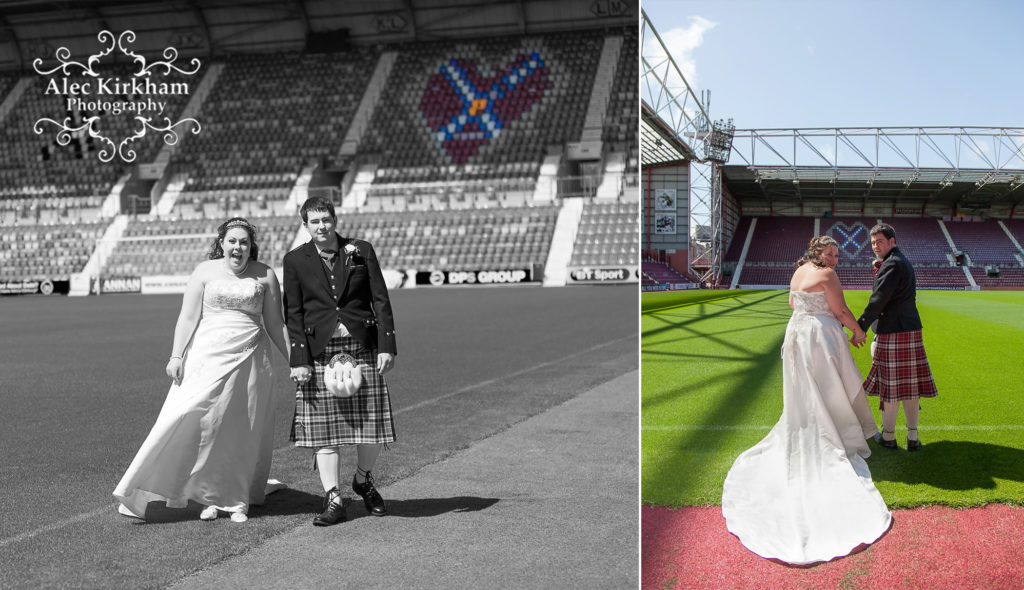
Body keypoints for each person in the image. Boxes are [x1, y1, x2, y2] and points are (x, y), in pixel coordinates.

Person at [722, 236, 891, 565]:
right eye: (831, 253)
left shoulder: (799, 270)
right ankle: (836, 434)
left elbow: (791, 304)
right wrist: (857, 332)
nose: (835, 259)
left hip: (796, 333)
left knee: (804, 392)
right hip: (818, 336)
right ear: (818, 253)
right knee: (830, 388)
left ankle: (816, 428)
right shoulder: (826, 274)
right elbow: (840, 309)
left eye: (837, 255)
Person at [114, 217, 289, 523]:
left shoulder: (266, 275)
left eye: (244, 242)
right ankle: (206, 496)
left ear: (251, 246)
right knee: (198, 420)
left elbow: (275, 323)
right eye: (232, 241)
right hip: (206, 357)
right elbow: (187, 317)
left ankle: (234, 500)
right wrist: (176, 356)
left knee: (240, 427)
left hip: (251, 358)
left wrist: (294, 360)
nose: (238, 247)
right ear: (221, 243)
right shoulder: (203, 272)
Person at [283, 196, 397, 526]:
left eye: (326, 219)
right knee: (324, 433)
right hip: (319, 352)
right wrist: (299, 359)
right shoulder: (294, 260)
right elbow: (293, 313)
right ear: (305, 225)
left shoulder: (361, 250)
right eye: (314, 221)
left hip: (363, 347)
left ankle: (362, 479)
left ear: (335, 220)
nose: (322, 226)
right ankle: (333, 499)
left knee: (373, 430)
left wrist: (387, 346)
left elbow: (380, 299)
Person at [857, 223, 938, 451]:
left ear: (892, 241)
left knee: (891, 389)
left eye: (879, 241)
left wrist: (860, 327)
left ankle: (889, 437)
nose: (875, 246)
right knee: (911, 388)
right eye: (872, 243)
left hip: (893, 331)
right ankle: (912, 438)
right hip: (908, 329)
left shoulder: (892, 264)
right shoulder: (899, 260)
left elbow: (878, 300)